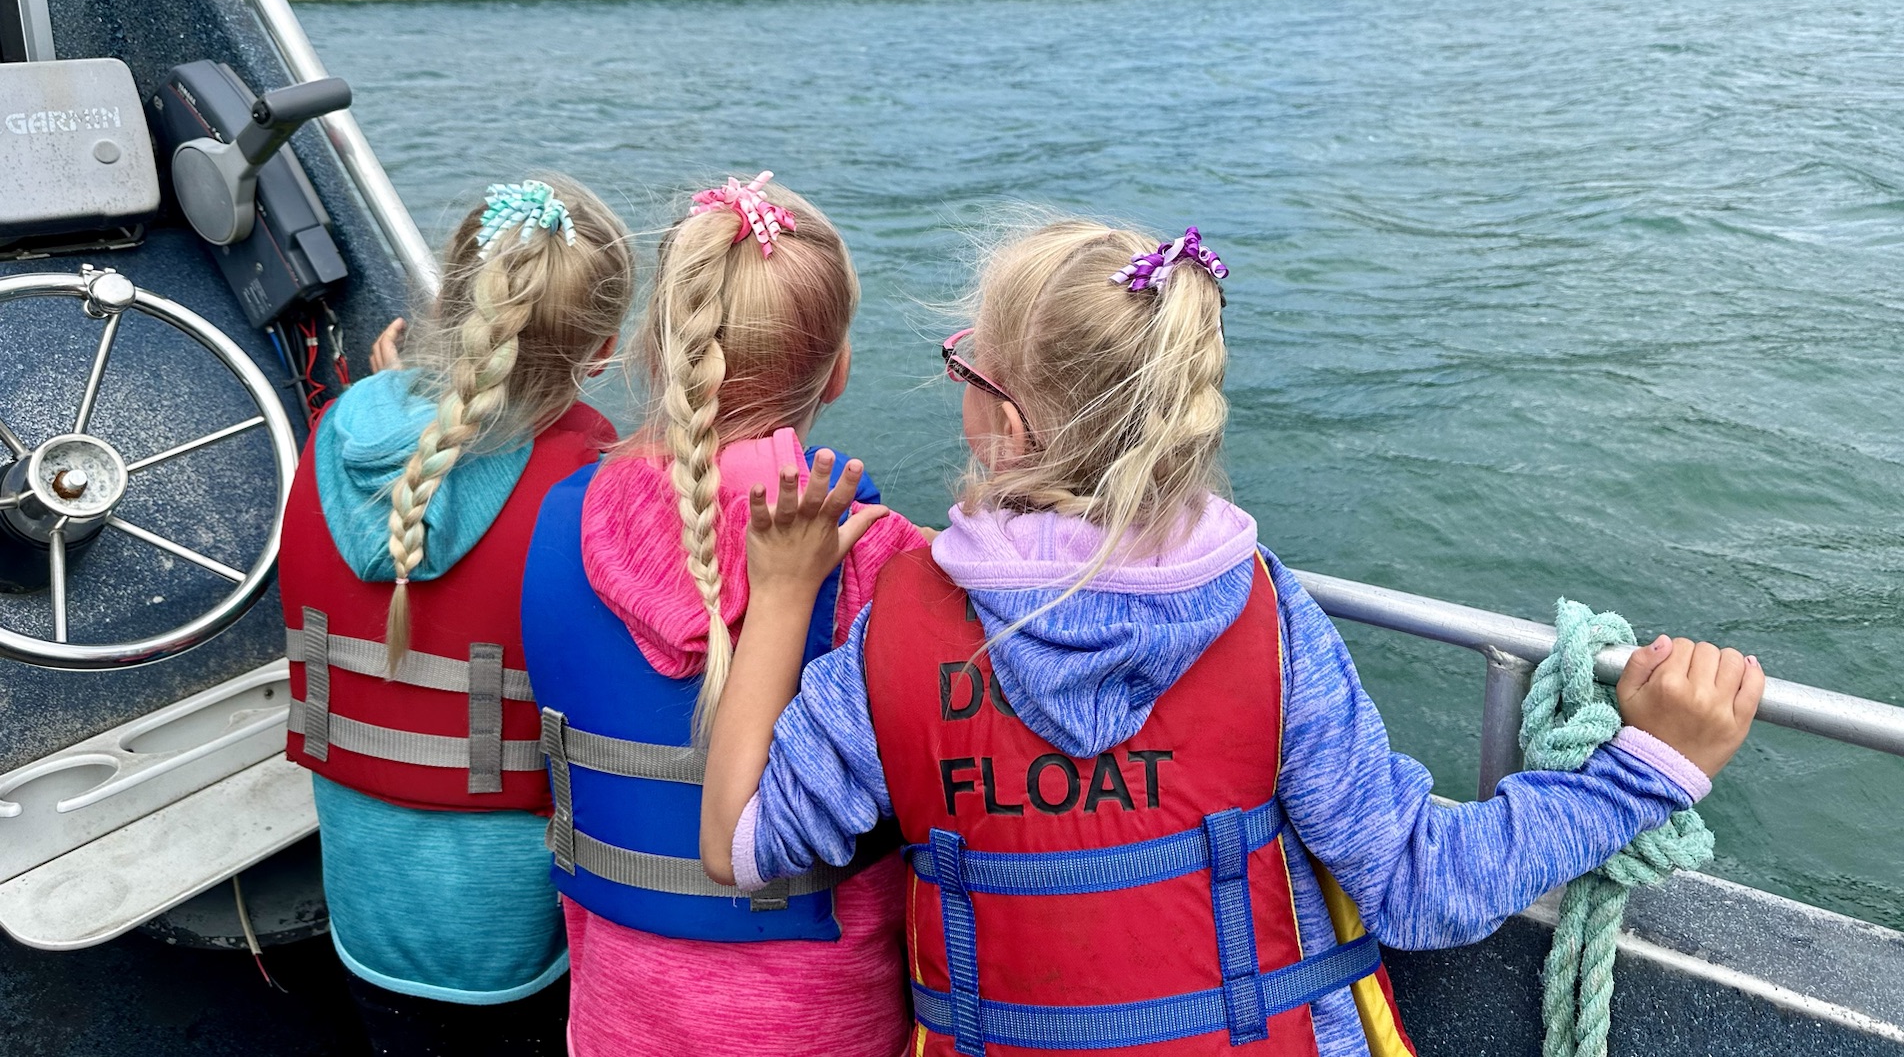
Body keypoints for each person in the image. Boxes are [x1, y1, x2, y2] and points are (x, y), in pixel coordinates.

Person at [699, 219, 1766, 1057]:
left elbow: (739, 845)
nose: (957, 386)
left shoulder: (898, 624)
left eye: (966, 370)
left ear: (1009, 427)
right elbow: (1421, 885)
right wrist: (1646, 769)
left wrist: (781, 598)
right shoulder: (1265, 616)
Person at [518, 171, 926, 1057]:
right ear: (838, 368)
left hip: (619, 1011)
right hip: (818, 1021)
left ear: (657, 353)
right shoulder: (882, 558)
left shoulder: (562, 518)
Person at [279, 177, 634, 1055]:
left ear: (447, 307)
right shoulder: (589, 490)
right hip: (514, 930)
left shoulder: (339, 432)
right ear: (602, 351)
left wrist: (389, 395)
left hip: (364, 900)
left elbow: (434, 467)